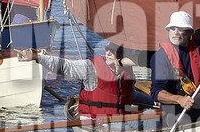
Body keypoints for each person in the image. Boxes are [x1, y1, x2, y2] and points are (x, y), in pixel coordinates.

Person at [24, 40, 152, 120]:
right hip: (95, 119)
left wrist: (154, 102)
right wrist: (37, 57)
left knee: (152, 114)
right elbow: (65, 66)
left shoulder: (126, 70)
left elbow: (131, 96)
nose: (108, 53)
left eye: (114, 52)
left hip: (119, 118)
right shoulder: (91, 67)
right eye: (108, 50)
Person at [150, 11, 200, 122]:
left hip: (193, 102)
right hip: (175, 109)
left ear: (189, 33)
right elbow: (156, 93)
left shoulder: (196, 48)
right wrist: (179, 99)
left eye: (180, 29)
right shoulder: (160, 57)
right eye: (172, 28)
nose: (175, 32)